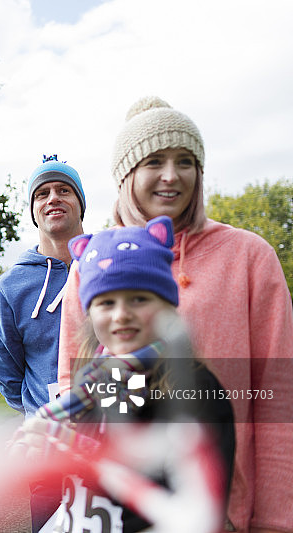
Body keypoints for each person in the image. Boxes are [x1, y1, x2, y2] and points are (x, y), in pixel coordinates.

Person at [57, 97, 293, 532]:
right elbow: (76, 385)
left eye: (186, 161)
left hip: (225, 509)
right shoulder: (90, 263)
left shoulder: (249, 256)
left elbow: (278, 393)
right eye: (154, 161)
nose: (171, 175)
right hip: (120, 510)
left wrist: (276, 520)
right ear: (126, 175)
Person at [13, 216, 235, 533]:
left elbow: (196, 501)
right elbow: (88, 471)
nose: (121, 315)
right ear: (90, 313)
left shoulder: (193, 388)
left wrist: (75, 451)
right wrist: (47, 452)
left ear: (167, 306)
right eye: (106, 302)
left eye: (139, 299)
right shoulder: (95, 381)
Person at [0, 154, 86, 416]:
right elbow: (8, 377)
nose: (53, 198)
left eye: (64, 190)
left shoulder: (112, 265)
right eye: (42, 194)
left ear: (81, 204)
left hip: (117, 425)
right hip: (47, 431)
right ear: (33, 211)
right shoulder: (8, 289)